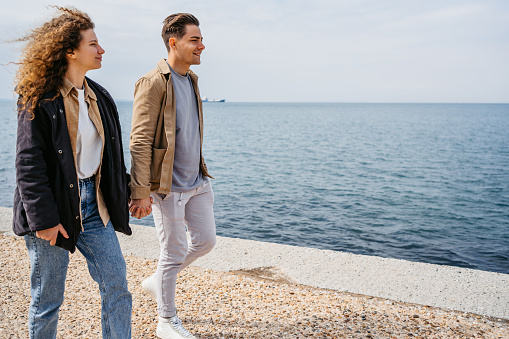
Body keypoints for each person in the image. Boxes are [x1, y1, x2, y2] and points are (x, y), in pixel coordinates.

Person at [12, 7, 132, 338]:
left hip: (95, 208)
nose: (101, 50)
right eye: (93, 44)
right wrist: (44, 220)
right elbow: (28, 162)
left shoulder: (100, 97)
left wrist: (130, 193)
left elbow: (110, 159)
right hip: (54, 210)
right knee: (48, 299)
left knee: (117, 287)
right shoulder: (40, 97)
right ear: (70, 51)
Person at [129, 13, 216, 339]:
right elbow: (139, 140)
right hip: (167, 188)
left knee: (206, 241)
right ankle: (166, 320)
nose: (201, 46)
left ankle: (157, 281)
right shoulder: (153, 82)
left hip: (197, 182)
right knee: (174, 252)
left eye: (200, 39)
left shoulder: (191, 79)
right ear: (173, 42)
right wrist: (140, 191)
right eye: (195, 40)